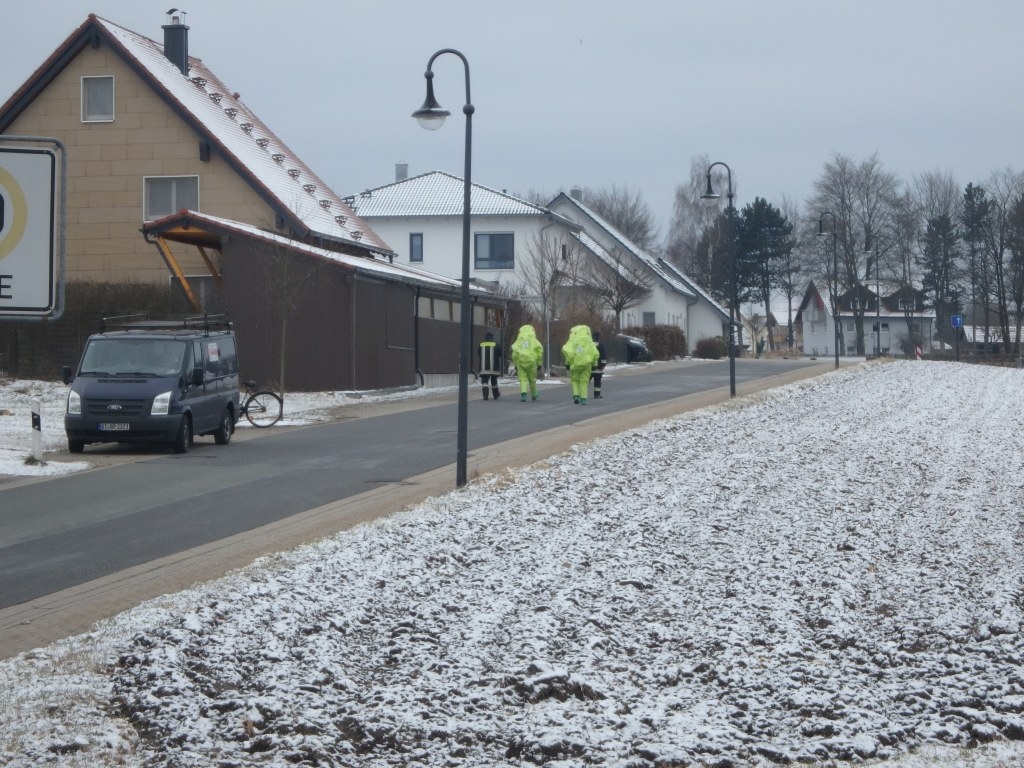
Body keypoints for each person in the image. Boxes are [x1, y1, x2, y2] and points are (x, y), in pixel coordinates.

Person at [562, 324, 599, 405]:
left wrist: (567, 363)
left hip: (574, 365)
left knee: (575, 380)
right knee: (584, 382)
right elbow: (595, 354)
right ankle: (583, 399)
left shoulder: (572, 341)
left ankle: (576, 396)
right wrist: (594, 363)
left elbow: (568, 353)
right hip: (586, 365)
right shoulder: (589, 342)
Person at [510, 324, 543, 402]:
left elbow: (514, 354)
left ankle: (523, 394)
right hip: (532, 361)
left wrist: (515, 364)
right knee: (532, 379)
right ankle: (534, 394)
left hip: (520, 361)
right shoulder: (534, 340)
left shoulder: (518, 341)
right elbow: (539, 352)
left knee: (523, 379)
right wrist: (539, 363)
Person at [477, 331, 502, 400]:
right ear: (492, 338)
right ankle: (495, 395)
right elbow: (501, 354)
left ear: (485, 338)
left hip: (484, 367)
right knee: (494, 381)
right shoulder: (497, 345)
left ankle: (485, 396)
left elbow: (478, 353)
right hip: (494, 367)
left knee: (484, 381)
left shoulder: (481, 344)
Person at [590, 330, 608, 399]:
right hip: (598, 368)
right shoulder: (601, 344)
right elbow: (603, 355)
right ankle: (597, 395)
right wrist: (603, 364)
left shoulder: (589, 344)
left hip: (590, 367)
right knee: (597, 382)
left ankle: (582, 395)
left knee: (585, 382)